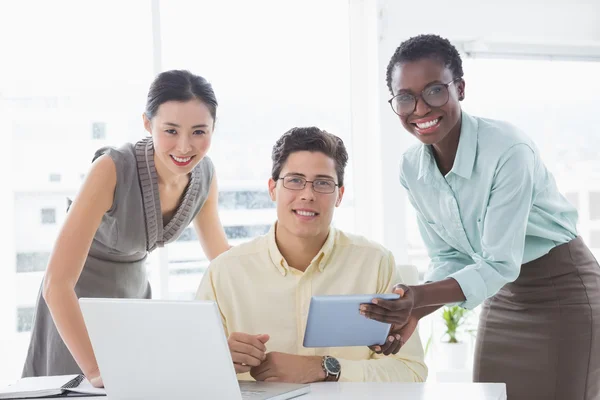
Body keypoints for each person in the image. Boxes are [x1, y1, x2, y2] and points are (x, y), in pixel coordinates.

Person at [359, 34, 600, 399]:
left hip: (563, 291)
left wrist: (418, 295)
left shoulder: (508, 150)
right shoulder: (411, 168)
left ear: (460, 88)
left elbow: (500, 262)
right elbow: (448, 257)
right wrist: (415, 313)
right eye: (405, 97)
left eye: (435, 91)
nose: (420, 109)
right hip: (502, 296)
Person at [22, 70, 231, 387]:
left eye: (199, 132)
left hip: (131, 303)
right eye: (171, 130)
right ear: (148, 124)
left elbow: (223, 262)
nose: (185, 146)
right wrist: (94, 369)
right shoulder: (111, 168)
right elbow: (56, 284)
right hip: (75, 307)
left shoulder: (206, 175)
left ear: (214, 128)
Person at [196, 127, 427, 383]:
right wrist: (219, 361)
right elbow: (190, 373)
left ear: (339, 195)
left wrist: (325, 368)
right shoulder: (224, 272)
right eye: (294, 180)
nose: (308, 194)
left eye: (323, 183)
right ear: (272, 189)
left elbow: (411, 371)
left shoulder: (375, 263)